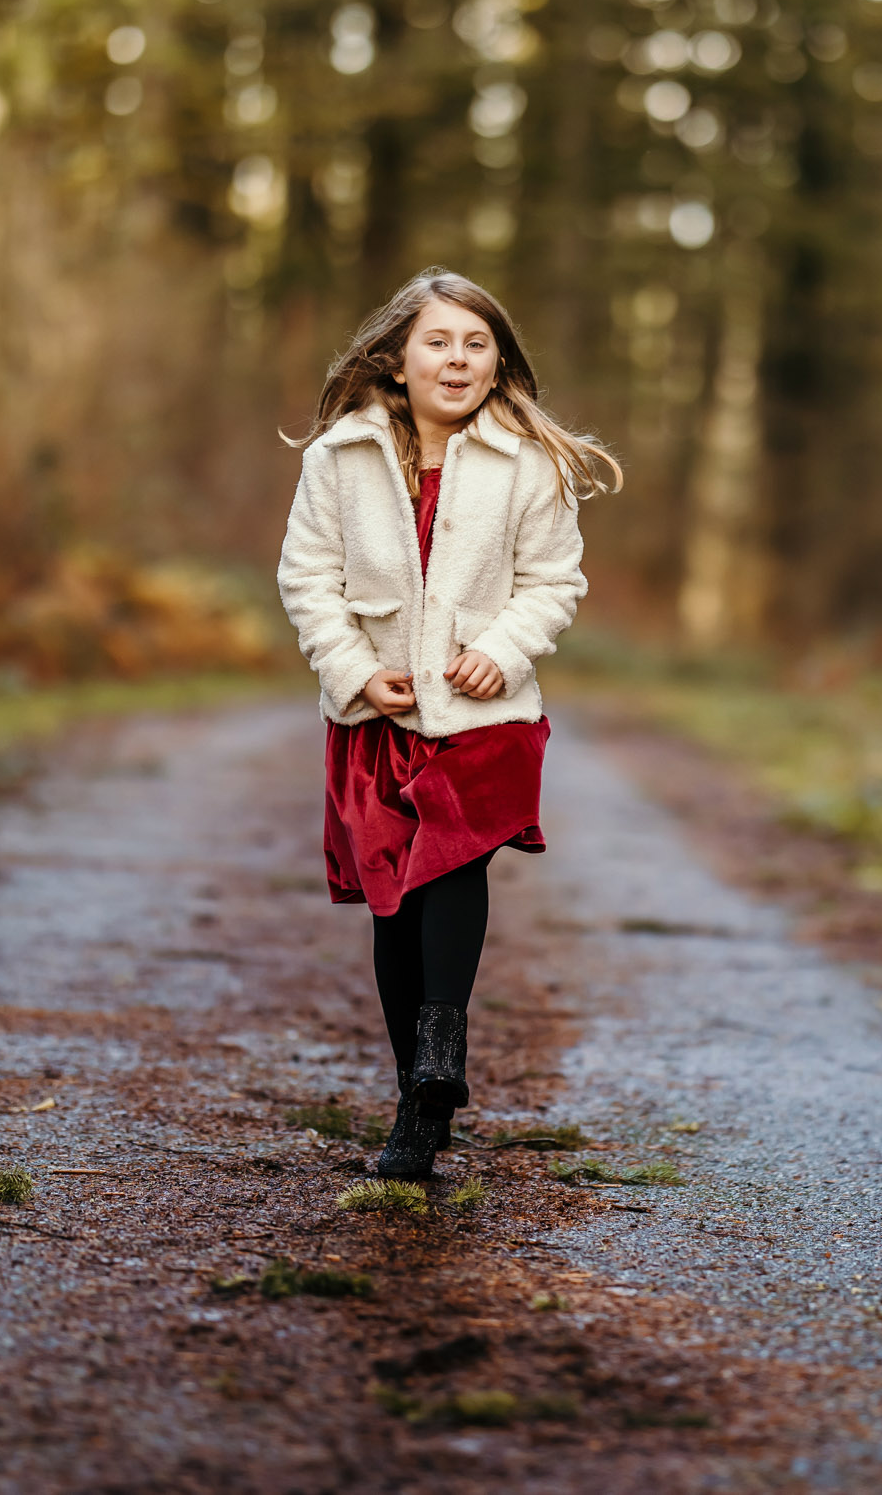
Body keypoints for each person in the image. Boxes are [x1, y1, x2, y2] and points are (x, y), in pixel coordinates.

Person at [277, 268, 621, 1179]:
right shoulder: (338, 459)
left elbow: (555, 582)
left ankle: (442, 1051)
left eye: (476, 343)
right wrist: (353, 670)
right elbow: (307, 579)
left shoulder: (527, 463)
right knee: (393, 898)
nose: (457, 359)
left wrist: (503, 651)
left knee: (454, 864)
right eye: (438, 341)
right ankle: (415, 1103)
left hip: (481, 711)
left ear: (498, 360)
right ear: (396, 359)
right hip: (377, 712)